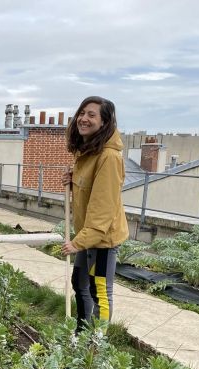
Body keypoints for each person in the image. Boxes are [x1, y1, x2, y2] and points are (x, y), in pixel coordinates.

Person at [60, 96, 129, 327]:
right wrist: (73, 181)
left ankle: (95, 350)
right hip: (87, 235)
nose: (84, 118)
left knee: (99, 292)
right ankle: (81, 335)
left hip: (101, 239)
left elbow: (103, 207)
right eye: (82, 113)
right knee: (80, 283)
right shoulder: (87, 151)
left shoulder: (108, 157)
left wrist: (79, 243)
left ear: (104, 122)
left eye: (92, 115)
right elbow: (88, 193)